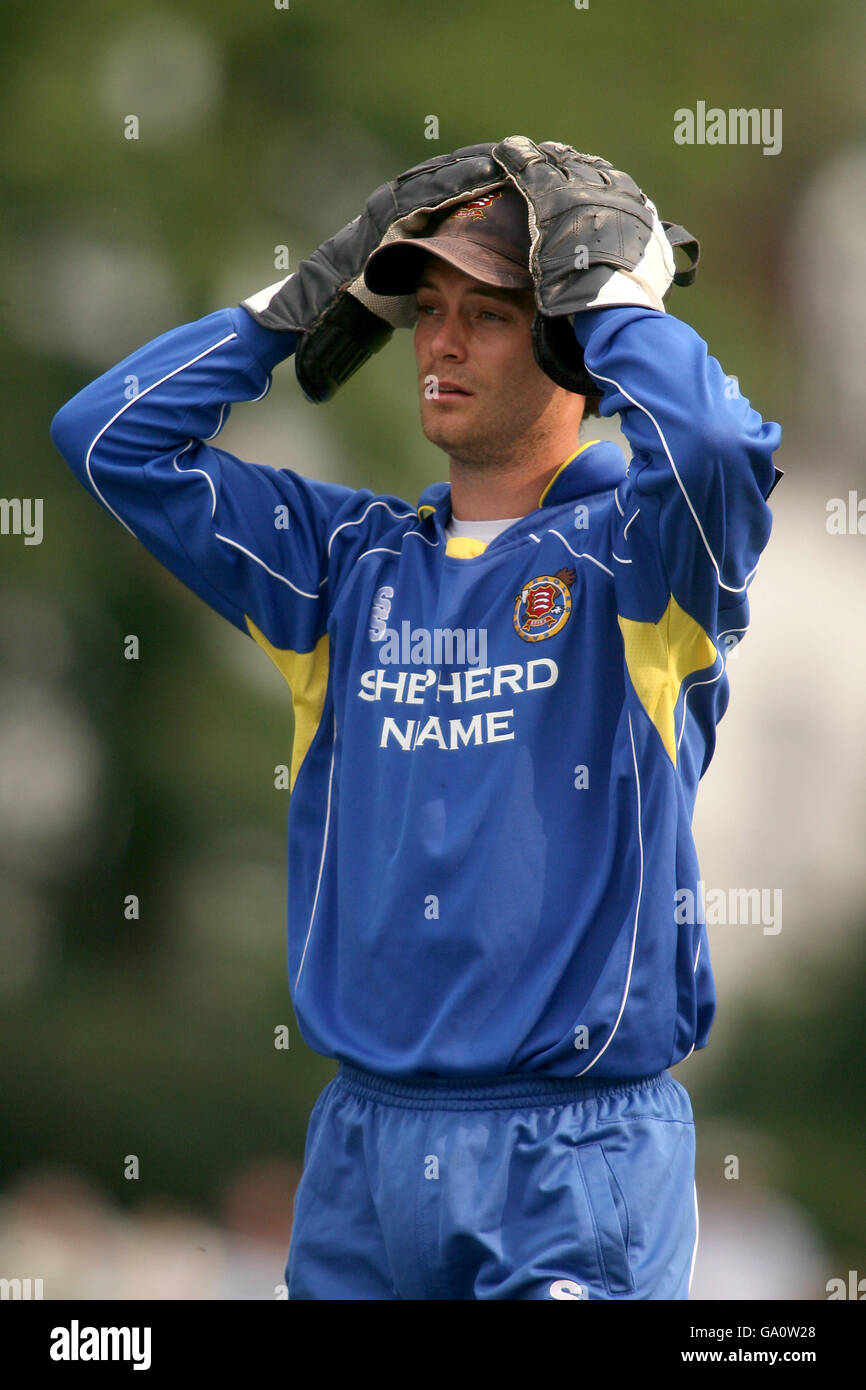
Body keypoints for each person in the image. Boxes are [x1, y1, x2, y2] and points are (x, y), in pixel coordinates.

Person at [50, 138, 782, 1300]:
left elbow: (712, 446)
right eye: (424, 309)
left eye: (486, 314)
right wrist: (290, 307)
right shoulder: (342, 565)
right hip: (362, 1154)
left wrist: (608, 295)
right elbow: (107, 438)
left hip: (572, 1154)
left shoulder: (641, 559)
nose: (435, 343)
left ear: (563, 344)